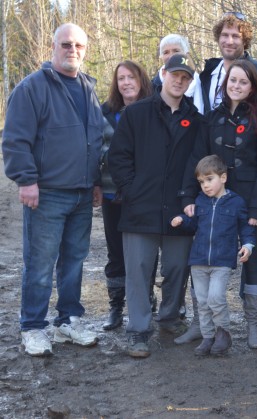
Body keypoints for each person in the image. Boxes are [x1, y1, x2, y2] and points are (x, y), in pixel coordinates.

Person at [2, 23, 101, 356]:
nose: (72, 50)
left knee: (74, 261)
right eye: (66, 44)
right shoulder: (33, 88)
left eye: (78, 46)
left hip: (83, 194)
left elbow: (97, 141)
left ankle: (67, 321)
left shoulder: (88, 87)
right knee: (40, 263)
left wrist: (97, 182)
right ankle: (33, 326)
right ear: (53, 46)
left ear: (85, 50)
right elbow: (15, 139)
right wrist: (26, 180)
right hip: (47, 194)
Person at [108, 54, 202, 358]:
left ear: (189, 82)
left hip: (178, 209)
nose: (179, 80)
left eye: (185, 77)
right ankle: (138, 331)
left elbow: (198, 161)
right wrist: (131, 190)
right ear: (163, 74)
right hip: (140, 208)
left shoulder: (196, 119)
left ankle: (169, 317)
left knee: (177, 268)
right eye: (175, 74)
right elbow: (118, 156)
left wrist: (189, 197)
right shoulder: (136, 113)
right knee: (138, 270)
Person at [182, 59, 257, 349]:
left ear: (252, 87)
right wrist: (188, 197)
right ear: (225, 84)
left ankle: (253, 324)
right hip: (212, 200)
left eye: (243, 82)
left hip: (249, 200)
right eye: (232, 80)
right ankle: (204, 324)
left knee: (253, 259)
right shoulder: (211, 118)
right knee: (204, 257)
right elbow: (196, 158)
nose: (237, 86)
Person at [172, 155, 255, 356]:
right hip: (198, 260)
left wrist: (248, 245)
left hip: (222, 261)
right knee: (201, 301)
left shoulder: (236, 202)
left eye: (210, 179)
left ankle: (223, 333)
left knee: (216, 298)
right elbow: (194, 225)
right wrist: (182, 220)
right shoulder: (200, 201)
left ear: (223, 177)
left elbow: (244, 226)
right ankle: (207, 337)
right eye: (201, 182)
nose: (205, 186)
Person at [100, 60, 153, 330]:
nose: (126, 83)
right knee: (116, 252)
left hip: (145, 196)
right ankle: (116, 306)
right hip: (113, 195)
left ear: (141, 80)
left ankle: (147, 300)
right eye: (121, 78)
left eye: (131, 77)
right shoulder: (106, 112)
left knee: (145, 253)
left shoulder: (153, 109)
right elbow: (97, 147)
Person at [196, 12, 257, 114]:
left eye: (235, 36)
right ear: (218, 38)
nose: (229, 41)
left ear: (245, 40)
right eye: (225, 35)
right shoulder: (208, 74)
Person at [151, 34, 199, 100]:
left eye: (176, 51)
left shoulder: (202, 83)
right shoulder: (151, 88)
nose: (171, 56)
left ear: (186, 53)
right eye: (166, 52)